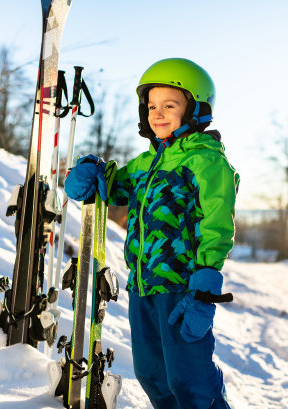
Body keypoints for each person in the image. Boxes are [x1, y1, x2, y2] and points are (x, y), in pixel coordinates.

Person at [64, 58, 239, 409]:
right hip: (143, 286)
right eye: (151, 106)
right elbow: (113, 188)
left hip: (183, 289)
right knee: (151, 374)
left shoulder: (206, 162)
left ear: (196, 109)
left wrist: (205, 283)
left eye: (170, 105)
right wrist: (91, 172)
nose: (157, 113)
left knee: (189, 379)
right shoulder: (146, 163)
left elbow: (217, 223)